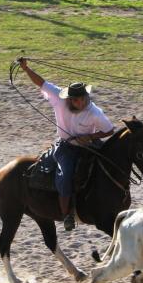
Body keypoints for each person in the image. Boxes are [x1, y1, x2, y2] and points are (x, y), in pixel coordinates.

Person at [18, 58, 114, 231]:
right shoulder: (58, 97)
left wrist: (92, 137)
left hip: (89, 146)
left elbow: (109, 130)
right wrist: (26, 69)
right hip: (66, 147)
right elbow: (41, 83)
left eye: (84, 98)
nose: (82, 103)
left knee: (112, 162)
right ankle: (67, 214)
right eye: (78, 100)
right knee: (65, 175)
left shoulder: (95, 112)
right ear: (69, 99)